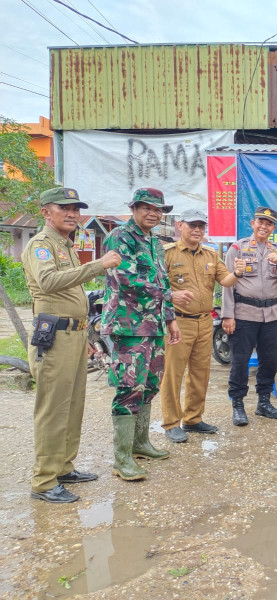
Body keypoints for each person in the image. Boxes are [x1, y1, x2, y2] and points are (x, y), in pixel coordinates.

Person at [22, 188, 121, 503]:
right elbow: (48, 282)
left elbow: (70, 294)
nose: (72, 214)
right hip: (54, 338)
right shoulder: (41, 245)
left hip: (74, 336)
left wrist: (86, 336)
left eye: (76, 209)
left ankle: (63, 467)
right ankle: (44, 481)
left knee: (73, 405)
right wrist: (99, 265)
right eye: (64, 208)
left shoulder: (65, 245)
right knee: (53, 409)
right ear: (46, 212)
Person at [101, 188, 182, 481]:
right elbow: (125, 279)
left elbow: (161, 279)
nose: (153, 213)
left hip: (154, 326)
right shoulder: (120, 237)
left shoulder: (155, 243)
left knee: (148, 385)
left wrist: (170, 319)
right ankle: (121, 459)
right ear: (134, 208)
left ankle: (140, 443)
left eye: (158, 210)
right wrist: (172, 293)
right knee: (128, 388)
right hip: (128, 326)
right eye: (147, 207)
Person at [160, 210, 247, 442]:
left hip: (204, 321)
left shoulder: (209, 254)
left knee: (200, 373)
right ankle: (171, 422)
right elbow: (156, 288)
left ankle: (193, 419)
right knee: (173, 374)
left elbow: (226, 281)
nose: (198, 230)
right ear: (180, 225)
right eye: (192, 225)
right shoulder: (167, 253)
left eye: (201, 226)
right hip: (178, 322)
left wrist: (237, 272)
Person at [223, 207, 277, 426]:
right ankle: (238, 405)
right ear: (252, 223)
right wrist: (228, 315)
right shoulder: (238, 248)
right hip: (244, 314)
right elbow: (227, 284)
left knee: (268, 361)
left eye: (269, 223)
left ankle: (263, 403)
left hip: (270, 316)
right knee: (240, 361)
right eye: (260, 222)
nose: (264, 226)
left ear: (274, 227)